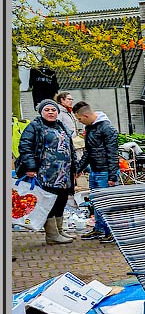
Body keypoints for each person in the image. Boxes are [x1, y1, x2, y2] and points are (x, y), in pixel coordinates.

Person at [15, 99, 78, 245]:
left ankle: (59, 230)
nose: (51, 112)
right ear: (41, 112)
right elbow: (25, 146)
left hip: (63, 174)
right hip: (45, 173)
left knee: (61, 201)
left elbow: (70, 148)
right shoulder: (35, 126)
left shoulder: (61, 126)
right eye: (47, 110)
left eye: (53, 110)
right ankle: (52, 234)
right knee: (49, 202)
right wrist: (30, 167)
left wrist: (75, 168)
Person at [73, 100, 120, 244]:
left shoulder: (107, 128)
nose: (79, 122)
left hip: (105, 172)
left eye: (79, 119)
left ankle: (112, 232)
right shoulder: (91, 128)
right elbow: (89, 152)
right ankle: (99, 229)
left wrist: (112, 176)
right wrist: (79, 168)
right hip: (95, 170)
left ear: (86, 116)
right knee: (96, 202)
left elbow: (113, 153)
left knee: (107, 203)